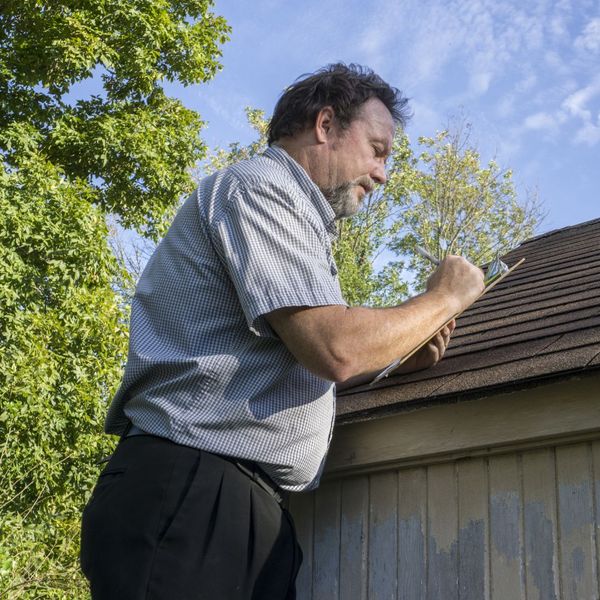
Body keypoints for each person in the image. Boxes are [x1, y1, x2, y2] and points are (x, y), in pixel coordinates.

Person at [80, 63, 485, 599]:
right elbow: (333, 348)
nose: (383, 173)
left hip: (232, 505)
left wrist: (394, 359)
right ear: (324, 125)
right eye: (378, 149)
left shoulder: (298, 220)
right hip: (190, 493)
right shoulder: (262, 189)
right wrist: (445, 297)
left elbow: (299, 366)